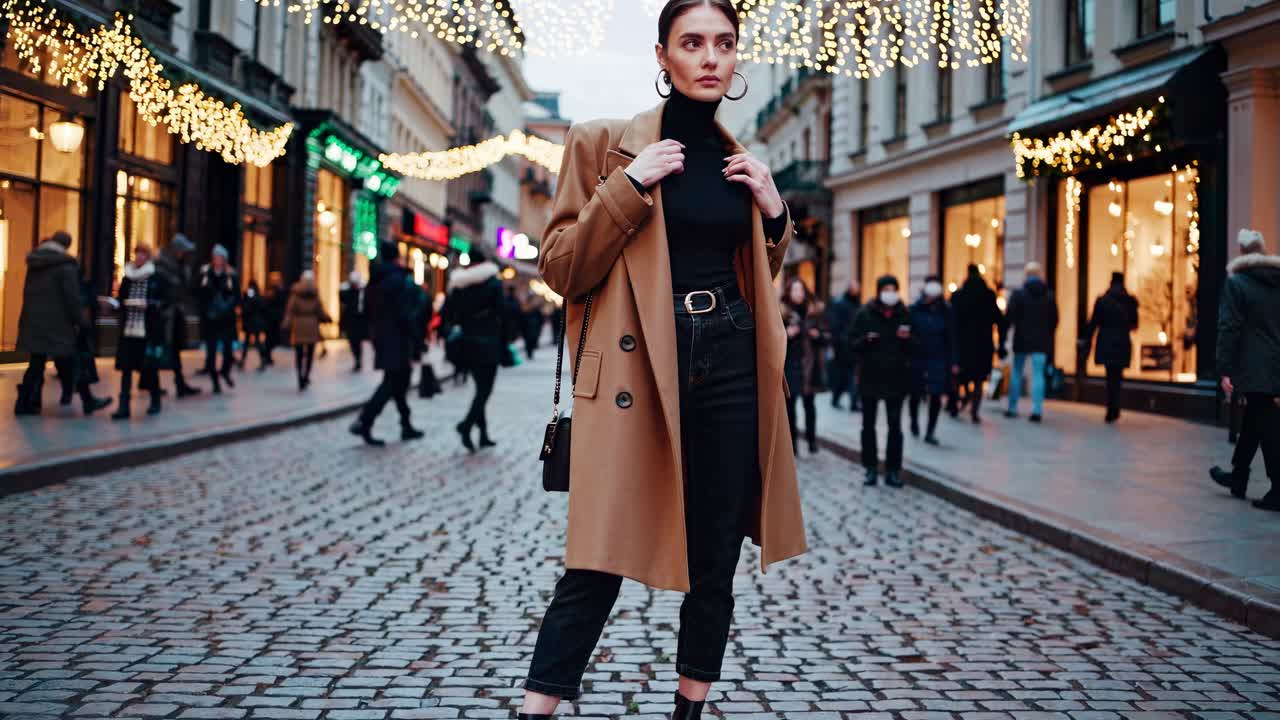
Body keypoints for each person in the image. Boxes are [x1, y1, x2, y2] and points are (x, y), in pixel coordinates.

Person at [520, 3, 808, 718]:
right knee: (599, 555)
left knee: (715, 552)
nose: (710, 57)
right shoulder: (602, 145)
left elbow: (752, 276)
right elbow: (560, 267)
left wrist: (775, 220)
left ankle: (688, 708)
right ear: (663, 55)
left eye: (724, 43)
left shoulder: (741, 158)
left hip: (732, 356)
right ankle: (535, 710)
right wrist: (626, 188)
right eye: (692, 43)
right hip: (641, 363)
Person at [1210, 229, 1280, 512]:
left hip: (1254, 366)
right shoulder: (1277, 282)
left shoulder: (1237, 284)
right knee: (1256, 418)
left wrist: (1224, 369)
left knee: (1268, 428)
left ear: (1241, 252)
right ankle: (1238, 475)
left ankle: (1278, 489)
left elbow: (1229, 327)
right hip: (1275, 364)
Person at [14, 231, 112, 416]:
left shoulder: (34, 263)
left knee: (36, 363)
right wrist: (82, 322)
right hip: (58, 325)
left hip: (34, 323)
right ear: (66, 246)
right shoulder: (66, 266)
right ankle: (88, 401)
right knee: (75, 360)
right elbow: (72, 299)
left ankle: (22, 404)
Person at [348, 242, 426, 446]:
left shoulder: (375, 280)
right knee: (393, 382)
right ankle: (365, 420)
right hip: (398, 338)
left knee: (397, 383)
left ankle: (405, 425)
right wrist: (417, 340)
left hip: (381, 336)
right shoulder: (399, 280)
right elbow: (405, 314)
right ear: (397, 257)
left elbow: (365, 311)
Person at [441, 249, 507, 453]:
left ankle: (483, 434)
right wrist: (504, 342)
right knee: (484, 391)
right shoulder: (493, 284)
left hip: (466, 343)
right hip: (488, 341)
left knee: (480, 389)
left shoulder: (458, 284)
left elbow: (446, 313)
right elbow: (502, 315)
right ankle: (466, 426)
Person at [850, 275, 913, 487]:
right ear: (878, 291)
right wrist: (865, 340)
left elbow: (917, 345)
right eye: (886, 288)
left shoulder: (904, 314)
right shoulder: (865, 314)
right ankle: (870, 468)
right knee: (868, 425)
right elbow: (850, 342)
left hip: (896, 379)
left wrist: (908, 340)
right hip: (870, 378)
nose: (890, 292)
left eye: (893, 289)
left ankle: (893, 470)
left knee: (895, 426)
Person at [110, 243, 170, 420]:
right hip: (128, 329)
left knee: (149, 369)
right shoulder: (127, 277)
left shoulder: (156, 277)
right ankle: (123, 407)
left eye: (143, 254)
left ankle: (155, 401)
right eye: (137, 254)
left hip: (147, 331)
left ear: (148, 257)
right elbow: (121, 299)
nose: (139, 257)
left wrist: (150, 305)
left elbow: (165, 301)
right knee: (126, 370)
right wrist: (114, 305)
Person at [949, 265, 1005, 423]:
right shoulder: (988, 295)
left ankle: (957, 403)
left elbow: (950, 321)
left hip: (962, 344)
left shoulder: (959, 296)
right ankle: (974, 411)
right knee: (979, 380)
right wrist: (1001, 343)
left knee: (959, 375)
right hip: (983, 344)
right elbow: (1000, 320)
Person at [1081, 272, 1139, 423]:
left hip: (1106, 342)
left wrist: (1087, 341)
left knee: (1110, 377)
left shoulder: (1102, 301)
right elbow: (1134, 324)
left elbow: (1093, 323)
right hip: (1122, 342)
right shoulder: (1130, 301)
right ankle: (1115, 408)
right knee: (1117, 377)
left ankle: (1111, 409)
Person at [1004, 261, 1057, 422]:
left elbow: (1009, 317)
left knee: (1017, 372)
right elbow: (1054, 319)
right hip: (1041, 341)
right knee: (1038, 374)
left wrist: (1004, 336)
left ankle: (1013, 407)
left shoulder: (1019, 294)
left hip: (1022, 339)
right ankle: (1037, 409)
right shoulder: (1048, 295)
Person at [781, 277, 829, 455]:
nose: (798, 293)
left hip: (810, 365)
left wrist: (817, 335)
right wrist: (786, 334)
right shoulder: (781, 313)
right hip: (790, 365)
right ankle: (792, 444)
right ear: (788, 292)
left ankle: (811, 441)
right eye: (795, 290)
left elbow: (827, 337)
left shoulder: (814, 312)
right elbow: (772, 340)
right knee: (790, 406)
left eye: (801, 290)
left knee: (810, 405)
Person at [908, 275, 957, 445]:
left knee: (935, 395)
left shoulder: (946, 310)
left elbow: (952, 337)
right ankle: (914, 422)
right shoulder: (915, 309)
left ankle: (930, 431)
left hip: (938, 358)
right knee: (915, 393)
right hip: (918, 357)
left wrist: (954, 361)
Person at [152, 233, 202, 397]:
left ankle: (179, 383)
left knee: (173, 350)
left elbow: (183, 290)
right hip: (163, 316)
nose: (186, 255)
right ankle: (153, 385)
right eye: (184, 251)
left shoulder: (180, 266)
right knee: (158, 351)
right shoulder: (162, 266)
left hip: (174, 315)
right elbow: (166, 291)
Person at [197, 244, 239, 393]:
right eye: (215, 257)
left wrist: (227, 306)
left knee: (228, 351)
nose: (217, 260)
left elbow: (236, 296)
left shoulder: (230, 275)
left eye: (220, 257)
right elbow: (199, 294)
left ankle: (225, 372)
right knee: (211, 353)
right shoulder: (206, 273)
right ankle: (215, 381)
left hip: (226, 319)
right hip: (211, 319)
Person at [281, 271, 331, 391]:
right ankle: (306, 375)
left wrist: (286, 323)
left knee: (299, 354)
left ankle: (300, 377)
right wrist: (327, 318)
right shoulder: (314, 293)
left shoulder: (296, 294)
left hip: (299, 326)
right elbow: (320, 310)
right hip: (311, 325)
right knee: (309, 354)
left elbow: (290, 310)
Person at [825, 281, 861, 411]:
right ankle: (837, 398)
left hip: (853, 345)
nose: (856, 290)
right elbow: (835, 326)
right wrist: (837, 344)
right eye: (854, 288)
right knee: (843, 376)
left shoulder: (857, 304)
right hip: (842, 347)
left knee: (852, 375)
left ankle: (853, 402)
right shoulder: (840, 303)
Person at [339, 271, 369, 372]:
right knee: (352, 341)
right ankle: (357, 359)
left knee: (357, 341)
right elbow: (342, 300)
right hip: (351, 320)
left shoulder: (362, 291)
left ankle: (358, 360)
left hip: (359, 320)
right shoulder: (347, 291)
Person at [240, 279, 270, 370]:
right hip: (255, 322)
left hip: (251, 321)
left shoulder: (253, 296)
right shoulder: (259, 295)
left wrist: (247, 299)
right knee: (254, 341)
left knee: (249, 342)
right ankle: (262, 359)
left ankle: (244, 360)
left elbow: (247, 308)